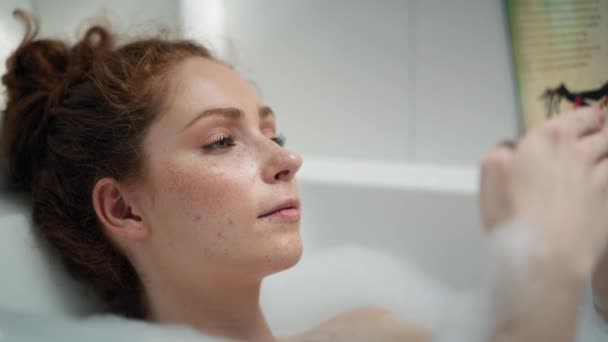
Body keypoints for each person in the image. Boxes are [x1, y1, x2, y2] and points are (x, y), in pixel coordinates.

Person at [2, 10, 608, 341]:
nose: (287, 160)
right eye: (220, 140)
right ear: (125, 209)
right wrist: (544, 262)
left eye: (275, 132)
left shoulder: (369, 329)